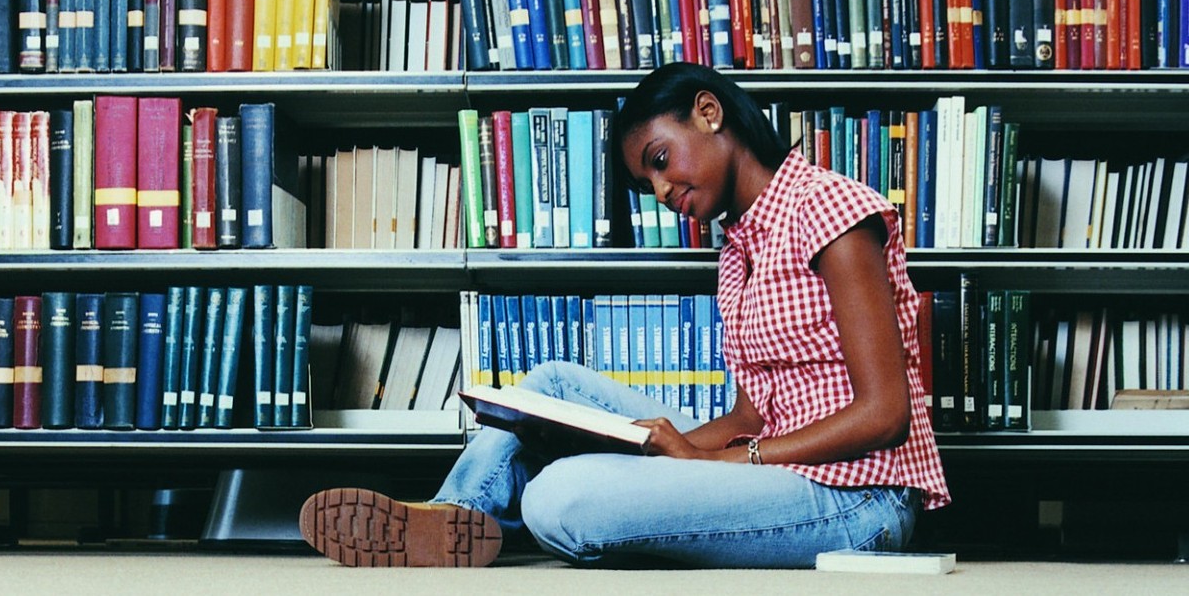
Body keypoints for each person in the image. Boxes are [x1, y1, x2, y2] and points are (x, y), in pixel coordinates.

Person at [299, 61, 950, 569]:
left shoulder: (828, 207)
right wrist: (675, 444)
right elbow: (754, 415)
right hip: (776, 462)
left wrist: (722, 461)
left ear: (707, 111)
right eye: (650, 184)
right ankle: (454, 515)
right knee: (552, 382)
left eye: (661, 162)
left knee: (560, 497)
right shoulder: (738, 249)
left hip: (858, 499)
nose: (664, 193)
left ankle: (503, 508)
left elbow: (884, 412)